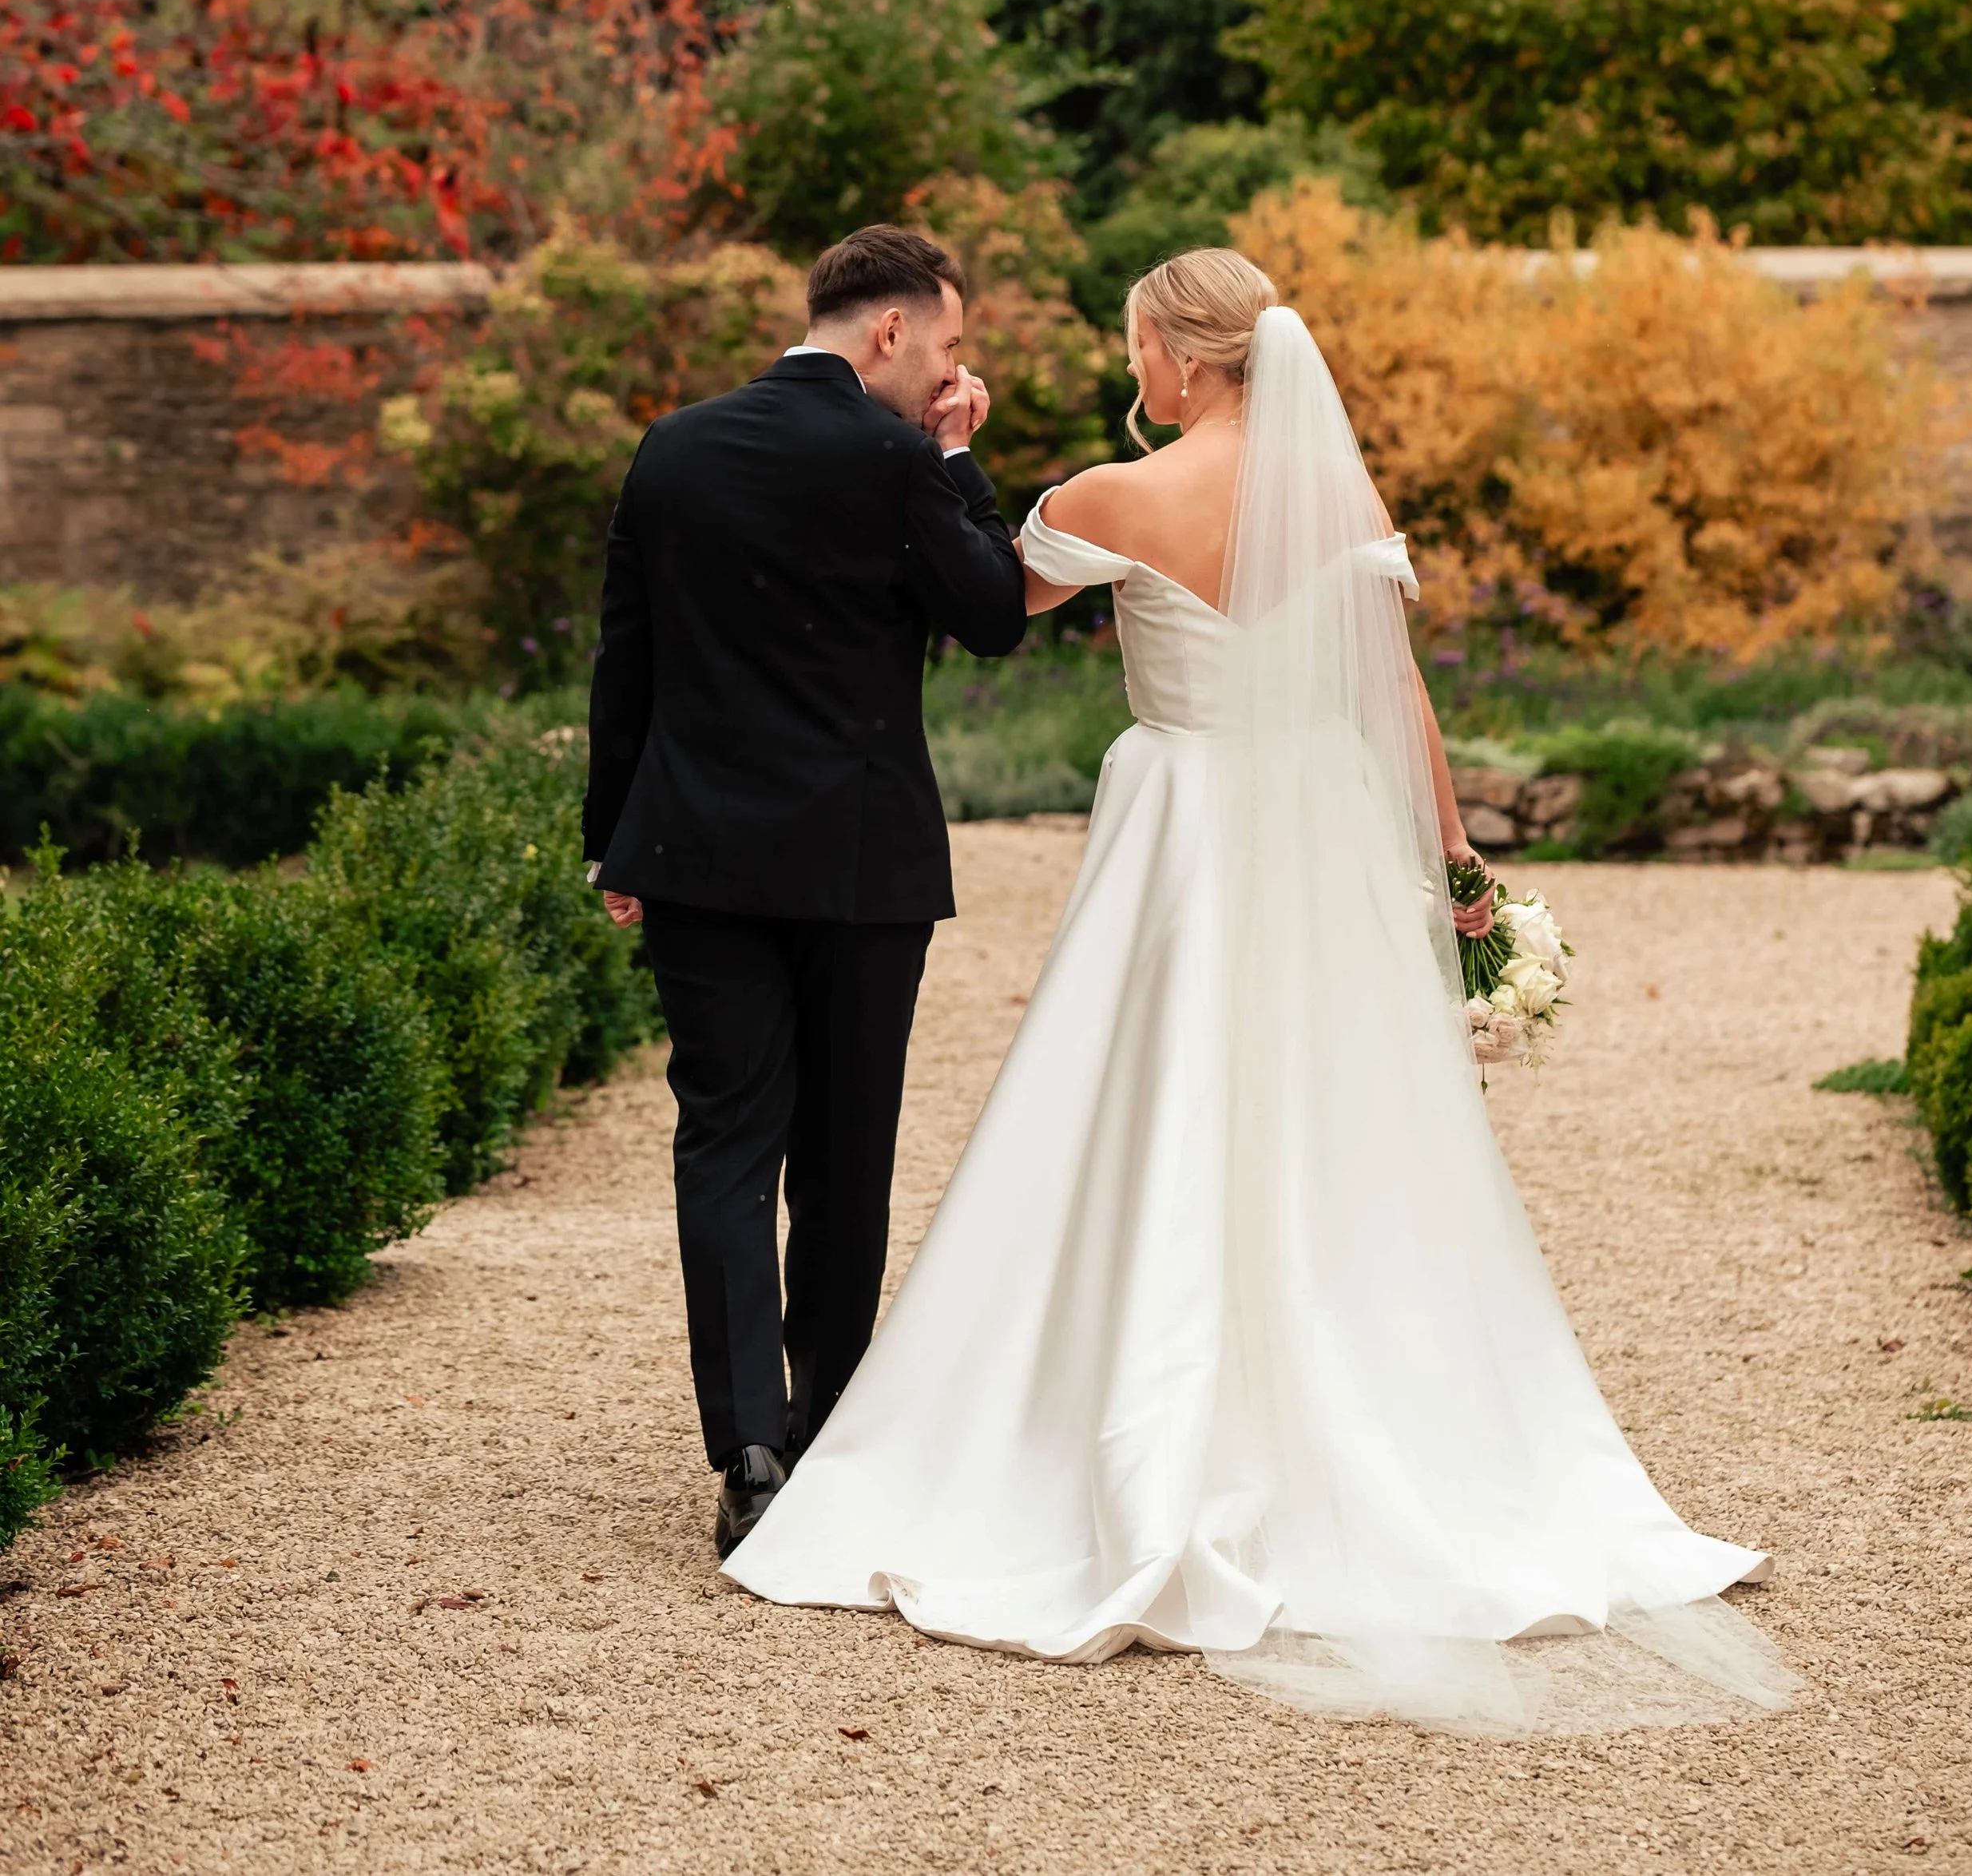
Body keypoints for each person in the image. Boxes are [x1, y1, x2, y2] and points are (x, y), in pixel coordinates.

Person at [724, 249, 1798, 1736]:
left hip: (1180, 828)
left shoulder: (1112, 498)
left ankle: (1126, 1426)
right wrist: (1461, 865)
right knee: (1332, 1123)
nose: (1131, 373)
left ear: (1179, 354)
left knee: (1154, 1106)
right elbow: (1397, 689)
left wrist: (954, 458)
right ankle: (1358, 1421)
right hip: (1321, 826)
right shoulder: (1342, 505)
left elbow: (984, 596)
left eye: (1137, 348)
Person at [583, 223, 1027, 1557]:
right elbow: (996, 611)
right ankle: (830, 1429)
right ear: (889, 331)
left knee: (723, 1140)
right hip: (859, 862)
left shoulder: (673, 445)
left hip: (698, 856)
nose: (952, 371)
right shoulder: (900, 458)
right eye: (947, 345)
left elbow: (628, 654)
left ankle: (751, 1452)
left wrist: (614, 837)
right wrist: (959, 456)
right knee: (844, 1149)